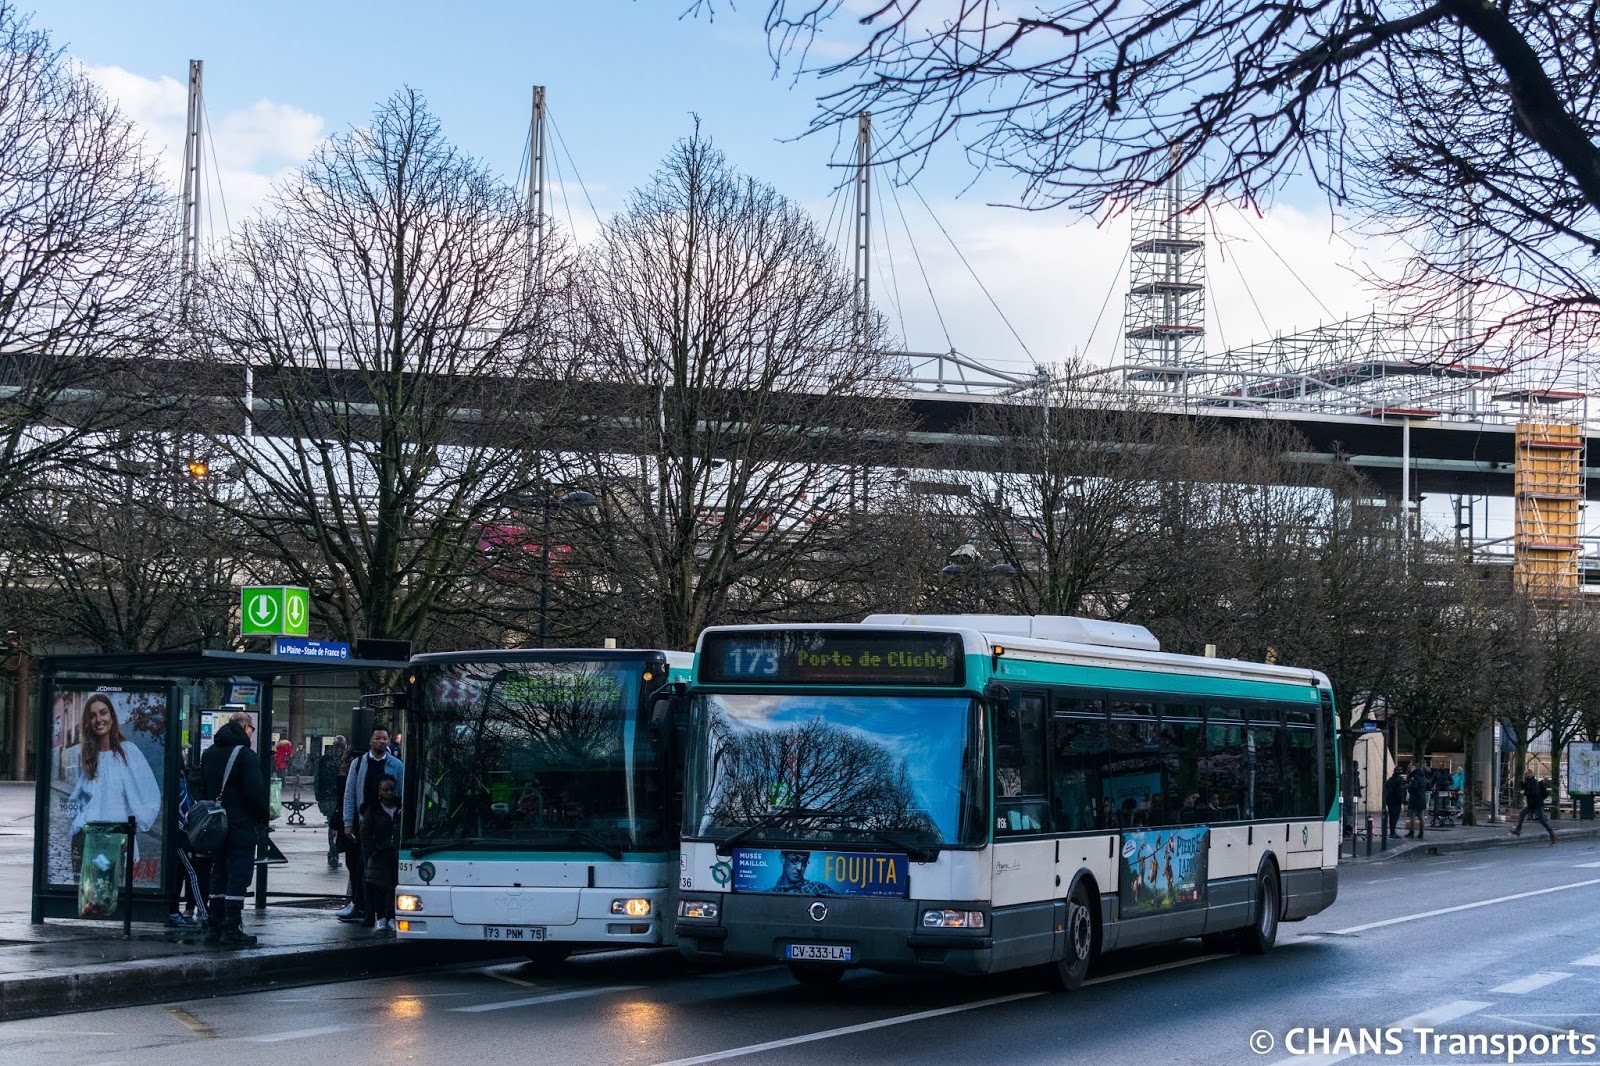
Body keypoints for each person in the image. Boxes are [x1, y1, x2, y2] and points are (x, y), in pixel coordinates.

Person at [67, 693, 162, 874]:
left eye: (103, 713)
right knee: (88, 899)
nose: (98, 719)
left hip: (117, 841)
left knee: (114, 896)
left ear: (112, 716)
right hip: (87, 840)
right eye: (92, 715)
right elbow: (80, 799)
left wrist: (132, 828)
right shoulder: (89, 755)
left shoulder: (128, 752)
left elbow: (149, 796)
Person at [199, 711, 269, 947]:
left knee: (218, 875)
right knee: (238, 876)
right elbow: (254, 793)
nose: (252, 732)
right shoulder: (246, 756)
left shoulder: (209, 754)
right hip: (240, 826)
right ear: (244, 727)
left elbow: (200, 787)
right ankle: (232, 927)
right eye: (251, 728)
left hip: (216, 827)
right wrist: (261, 817)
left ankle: (214, 927)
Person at [339, 727, 404, 926]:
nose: (382, 742)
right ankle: (370, 913)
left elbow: (400, 792)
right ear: (371, 741)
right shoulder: (358, 764)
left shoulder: (397, 766)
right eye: (377, 738)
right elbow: (350, 794)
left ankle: (386, 914)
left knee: (388, 872)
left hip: (389, 823)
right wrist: (348, 823)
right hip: (366, 822)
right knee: (368, 871)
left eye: (385, 738)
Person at [164, 770, 210, 932]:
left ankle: (173, 912)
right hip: (180, 835)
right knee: (193, 872)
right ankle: (204, 914)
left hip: (171, 833)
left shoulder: (167, 778)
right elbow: (186, 809)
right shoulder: (180, 782)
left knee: (177, 874)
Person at [360, 774, 403, 932]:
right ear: (379, 791)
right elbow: (365, 833)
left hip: (395, 854)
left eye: (391, 790)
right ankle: (381, 918)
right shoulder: (373, 810)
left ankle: (391, 917)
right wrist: (374, 850)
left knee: (393, 887)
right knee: (379, 887)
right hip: (379, 854)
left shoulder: (401, 808)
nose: (389, 793)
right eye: (386, 790)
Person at [315, 737, 346, 869]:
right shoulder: (327, 759)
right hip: (330, 797)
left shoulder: (344, 759)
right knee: (334, 826)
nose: (339, 748)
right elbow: (318, 777)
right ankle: (333, 854)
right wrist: (319, 796)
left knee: (335, 826)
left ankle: (333, 853)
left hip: (338, 797)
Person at [1511, 769, 1557, 845]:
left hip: (1537, 805)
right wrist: (1523, 784)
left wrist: (1525, 793)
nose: (1524, 775)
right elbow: (1524, 788)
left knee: (1542, 821)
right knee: (1522, 813)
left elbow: (1534, 793)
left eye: (1526, 774)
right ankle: (1518, 830)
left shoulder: (1534, 783)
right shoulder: (1528, 782)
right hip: (1531, 805)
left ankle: (1552, 835)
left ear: (1530, 774)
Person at [770, 850, 835, 894]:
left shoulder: (817, 889)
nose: (799, 868)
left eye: (804, 862)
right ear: (782, 859)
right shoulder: (769, 892)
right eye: (794, 860)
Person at [1406, 761, 1429, 839]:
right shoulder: (1424, 778)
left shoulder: (1414, 778)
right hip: (1422, 799)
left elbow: (1413, 788)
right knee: (1421, 816)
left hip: (1415, 799)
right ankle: (1421, 832)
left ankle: (1412, 832)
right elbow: (1428, 785)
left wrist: (1409, 787)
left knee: (1412, 816)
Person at [1383, 765, 1406, 840]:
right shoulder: (1399, 781)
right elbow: (1399, 792)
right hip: (1396, 802)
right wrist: (1402, 800)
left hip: (1390, 801)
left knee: (1391, 817)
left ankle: (1392, 832)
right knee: (1395, 818)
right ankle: (1392, 833)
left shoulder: (1390, 780)